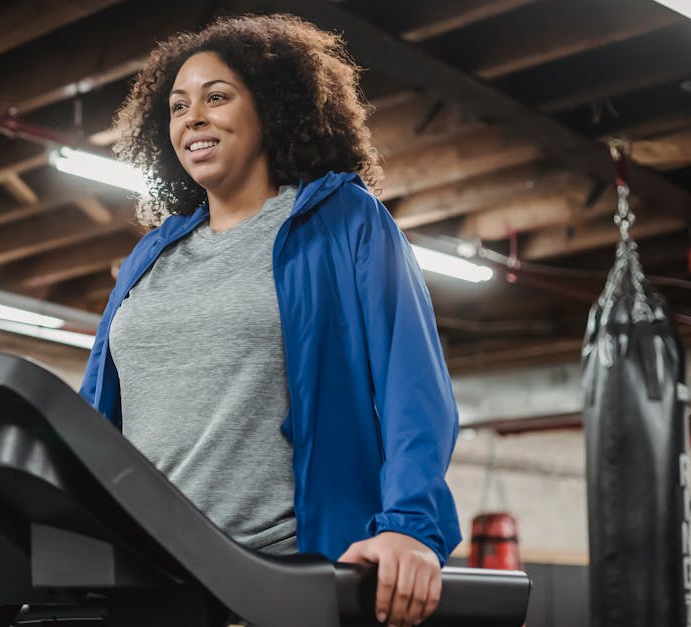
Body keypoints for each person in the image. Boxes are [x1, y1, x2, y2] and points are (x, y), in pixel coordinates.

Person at [77, 14, 463, 627]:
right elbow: (94, 416)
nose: (192, 118)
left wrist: (411, 527)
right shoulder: (149, 256)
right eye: (178, 106)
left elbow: (411, 385)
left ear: (273, 110)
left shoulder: (343, 221)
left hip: (278, 575)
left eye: (217, 97)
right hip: (147, 579)